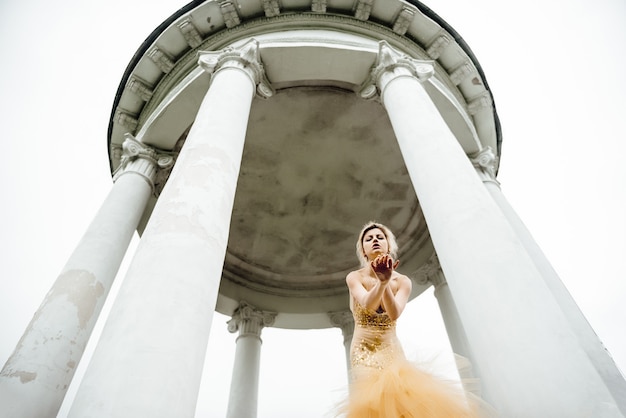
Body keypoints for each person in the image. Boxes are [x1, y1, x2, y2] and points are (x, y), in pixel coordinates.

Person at [340, 221, 490, 417]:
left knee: (403, 405)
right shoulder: (354, 277)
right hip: (363, 352)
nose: (375, 240)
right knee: (373, 404)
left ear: (388, 245)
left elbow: (393, 312)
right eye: (369, 239)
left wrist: (385, 281)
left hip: (391, 349)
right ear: (364, 250)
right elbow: (368, 303)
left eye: (380, 237)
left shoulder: (402, 281)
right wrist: (381, 282)